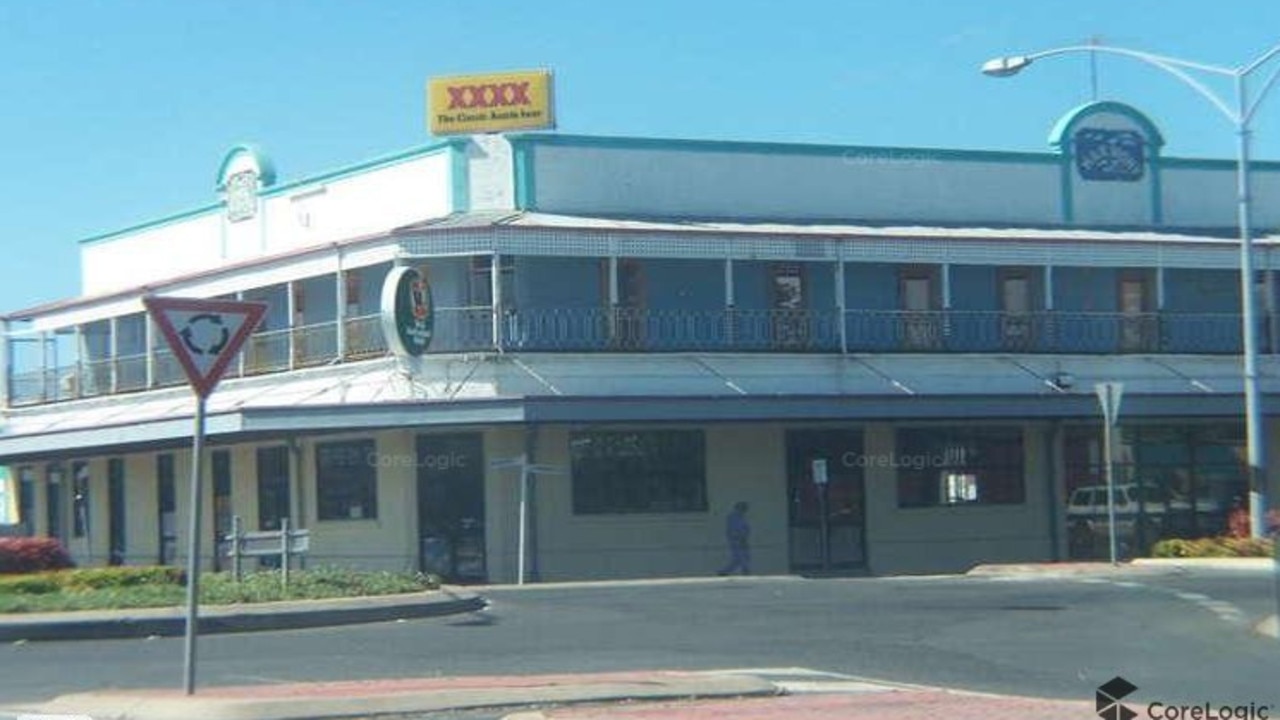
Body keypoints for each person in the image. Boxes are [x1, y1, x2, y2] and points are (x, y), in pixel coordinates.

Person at [718, 501, 751, 575]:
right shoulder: (733, 517)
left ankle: (725, 572)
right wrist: (739, 538)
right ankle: (745, 571)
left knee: (742, 557)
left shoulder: (741, 517)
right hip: (737, 540)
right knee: (740, 557)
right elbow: (734, 530)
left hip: (742, 540)